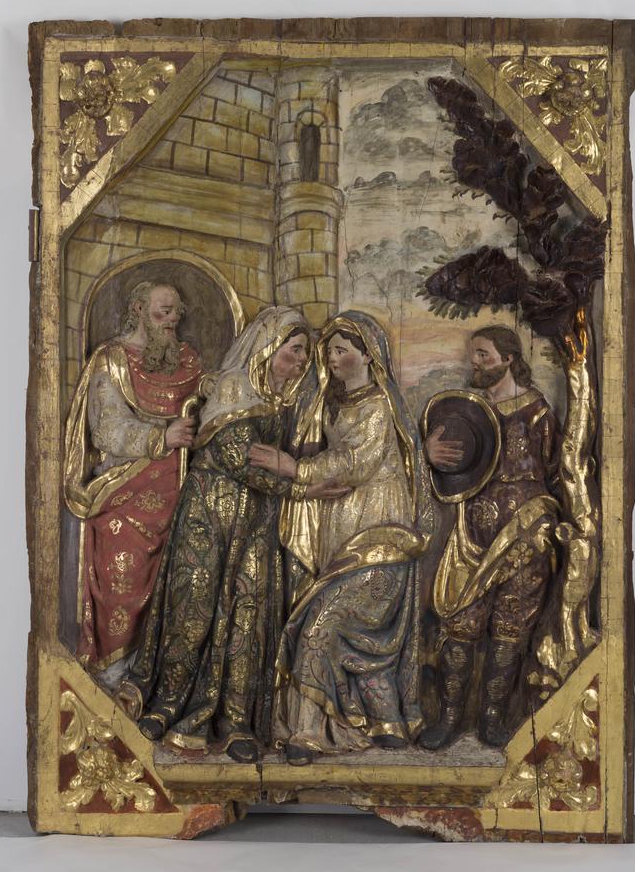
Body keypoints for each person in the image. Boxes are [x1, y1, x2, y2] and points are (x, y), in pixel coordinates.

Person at [116, 307, 345, 764]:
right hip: (209, 515)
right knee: (194, 607)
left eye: (305, 353)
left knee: (248, 616)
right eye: (294, 350)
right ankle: (168, 705)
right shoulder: (233, 386)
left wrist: (296, 473)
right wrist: (305, 487)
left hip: (256, 523)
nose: (301, 360)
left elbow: (274, 461)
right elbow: (239, 459)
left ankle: (237, 720)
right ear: (267, 348)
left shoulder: (285, 400)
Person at [250, 311, 434, 766]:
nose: (331, 359)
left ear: (367, 355)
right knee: (354, 635)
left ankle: (307, 731)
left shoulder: (379, 406)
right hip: (341, 536)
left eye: (340, 350)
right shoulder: (332, 403)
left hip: (380, 536)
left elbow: (355, 462)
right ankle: (387, 722)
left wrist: (293, 467)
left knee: (320, 625)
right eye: (328, 351)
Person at [420, 325, 560, 749]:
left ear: (508, 358)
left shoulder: (537, 411)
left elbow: (554, 468)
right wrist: (428, 455)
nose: (475, 363)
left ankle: (493, 718)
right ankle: (448, 718)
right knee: (461, 624)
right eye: (474, 355)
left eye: (483, 354)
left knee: (510, 627)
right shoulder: (468, 412)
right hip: (472, 532)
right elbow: (445, 468)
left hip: (523, 534)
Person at [64, 281, 201, 681]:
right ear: (139, 310)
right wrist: (162, 438)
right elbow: (107, 429)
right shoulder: (112, 360)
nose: (172, 320)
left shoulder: (190, 362)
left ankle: (165, 677)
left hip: (183, 480)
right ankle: (117, 670)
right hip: (127, 482)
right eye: (163, 312)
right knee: (119, 553)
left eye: (177, 312)